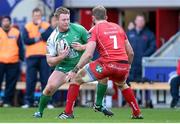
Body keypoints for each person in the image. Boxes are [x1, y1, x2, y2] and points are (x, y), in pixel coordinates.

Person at [59, 5, 143, 119]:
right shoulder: (118, 27)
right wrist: (127, 67)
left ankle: (68, 113)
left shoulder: (95, 29)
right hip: (122, 66)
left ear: (93, 18)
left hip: (107, 64)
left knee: (75, 79)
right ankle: (136, 113)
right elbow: (131, 53)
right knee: (120, 83)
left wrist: (75, 70)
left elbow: (89, 54)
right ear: (106, 16)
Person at [33, 7, 113, 118]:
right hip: (64, 67)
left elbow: (95, 44)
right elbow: (50, 62)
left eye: (68, 19)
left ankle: (99, 105)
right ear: (57, 20)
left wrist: (83, 47)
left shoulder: (79, 29)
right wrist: (61, 57)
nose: (67, 22)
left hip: (82, 65)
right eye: (64, 20)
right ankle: (39, 112)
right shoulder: (52, 38)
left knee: (104, 75)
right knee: (49, 88)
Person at [22, 8, 52, 108]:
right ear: (32, 16)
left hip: (44, 56)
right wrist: (37, 38)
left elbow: (48, 37)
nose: (37, 17)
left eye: (39, 16)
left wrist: (40, 28)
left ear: (41, 16)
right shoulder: (27, 26)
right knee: (30, 81)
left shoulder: (46, 25)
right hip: (31, 57)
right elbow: (26, 40)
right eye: (35, 16)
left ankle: (47, 102)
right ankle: (28, 102)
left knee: (45, 80)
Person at [126, 14, 156, 107]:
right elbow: (124, 46)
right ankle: (129, 102)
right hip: (131, 64)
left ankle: (146, 101)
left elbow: (153, 47)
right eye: (138, 20)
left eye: (142, 21)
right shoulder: (129, 33)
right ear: (135, 22)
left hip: (143, 65)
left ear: (144, 22)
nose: (140, 22)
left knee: (144, 82)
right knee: (128, 83)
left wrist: (144, 56)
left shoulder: (149, 34)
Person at [0, 16, 24, 107]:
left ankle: (7, 102)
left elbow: (20, 46)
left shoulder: (16, 32)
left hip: (13, 61)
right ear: (1, 22)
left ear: (10, 22)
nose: (6, 22)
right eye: (4, 21)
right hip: (0, 61)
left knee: (11, 84)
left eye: (7, 21)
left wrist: (21, 58)